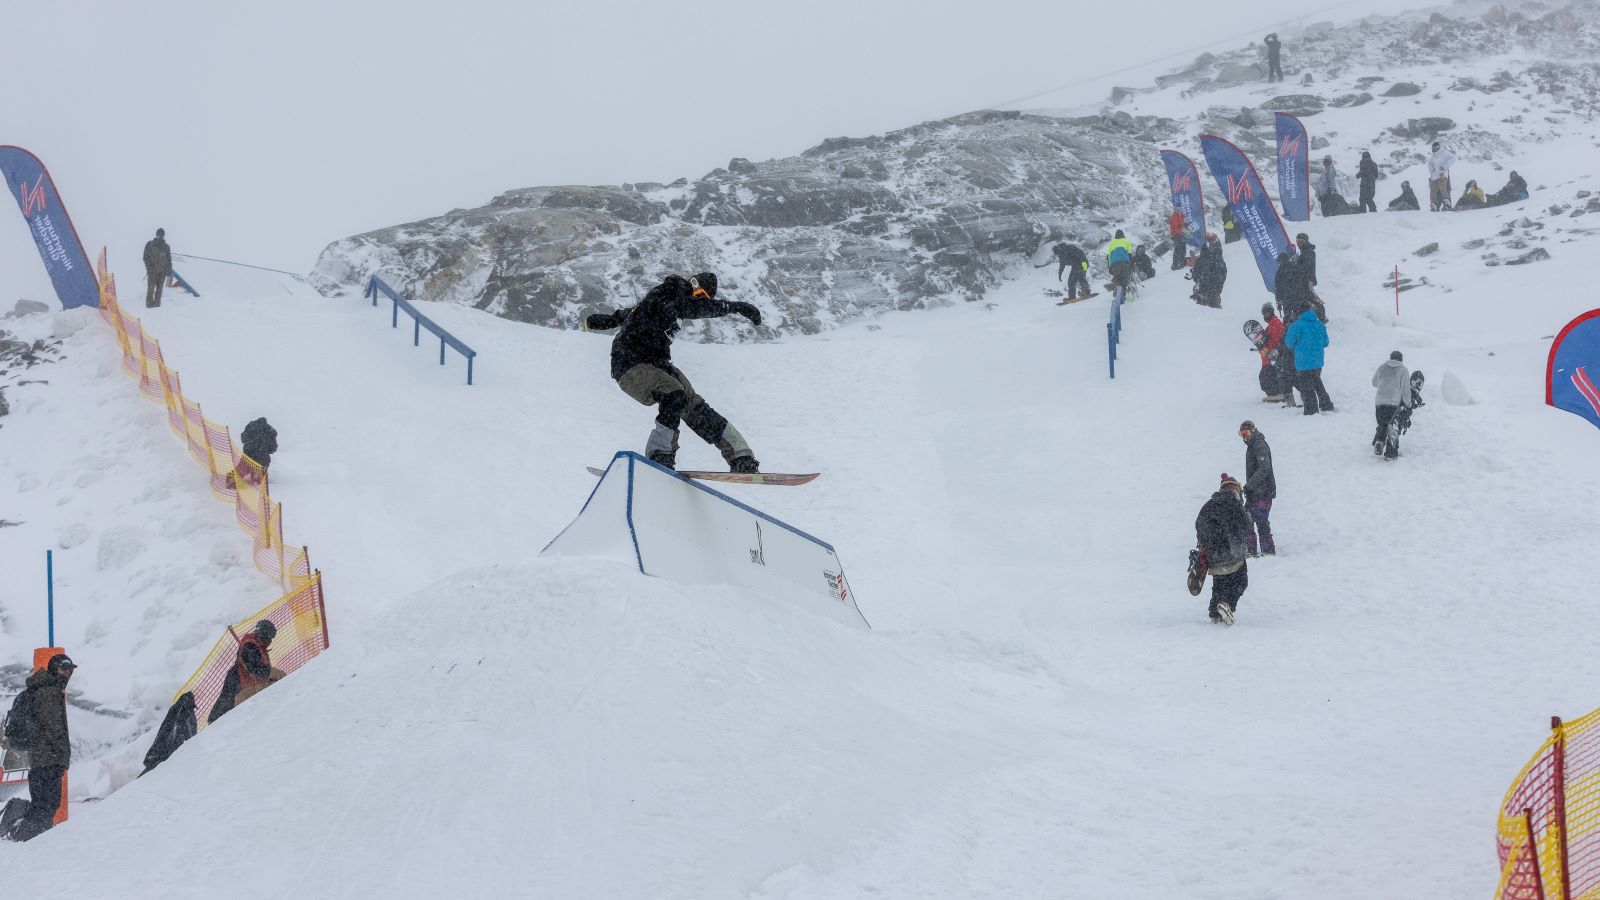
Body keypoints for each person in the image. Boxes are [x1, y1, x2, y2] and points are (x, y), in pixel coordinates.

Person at [584, 273, 763, 472]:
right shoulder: (668, 293)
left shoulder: (662, 305)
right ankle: (659, 455)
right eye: (700, 294)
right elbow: (689, 307)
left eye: (705, 296)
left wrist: (601, 321)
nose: (701, 299)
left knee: (692, 404)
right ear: (693, 286)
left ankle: (740, 456)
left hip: (656, 363)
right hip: (629, 365)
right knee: (674, 394)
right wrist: (735, 307)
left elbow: (627, 315)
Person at [3, 654, 76, 842]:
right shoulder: (49, 692)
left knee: (41, 806)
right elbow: (53, 728)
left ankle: (19, 830)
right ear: (54, 669)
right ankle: (23, 838)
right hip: (49, 759)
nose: (67, 673)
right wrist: (62, 757)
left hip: (39, 759)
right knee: (47, 806)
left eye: (70, 670)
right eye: (63, 669)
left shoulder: (41, 689)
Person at [1195, 474, 1253, 625]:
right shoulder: (1235, 506)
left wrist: (1205, 542)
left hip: (1213, 555)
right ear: (1235, 490)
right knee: (1240, 582)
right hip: (1233, 554)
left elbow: (1199, 524)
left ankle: (1215, 613)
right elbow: (1246, 526)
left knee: (1219, 584)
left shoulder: (1209, 505)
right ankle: (1227, 605)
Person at [207, 620, 285, 724]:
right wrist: (272, 674)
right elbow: (256, 669)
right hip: (239, 685)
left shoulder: (258, 646)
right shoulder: (250, 646)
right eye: (270, 637)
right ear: (263, 634)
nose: (270, 640)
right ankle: (213, 724)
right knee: (227, 714)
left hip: (244, 684)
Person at [1284, 304, 1334, 414]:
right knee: (1317, 381)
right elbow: (1326, 342)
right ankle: (1326, 404)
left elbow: (1289, 343)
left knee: (1307, 387)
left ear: (1299, 312)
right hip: (1317, 361)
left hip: (1303, 362)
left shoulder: (1296, 325)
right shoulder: (1319, 324)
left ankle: (1311, 410)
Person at [1238, 421, 1276, 556]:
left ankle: (1268, 550)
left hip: (1263, 491)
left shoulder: (1259, 445)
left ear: (1253, 431)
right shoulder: (1252, 445)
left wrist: (1250, 485)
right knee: (1247, 519)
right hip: (1254, 492)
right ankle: (1250, 550)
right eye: (1241, 434)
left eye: (1246, 433)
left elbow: (1264, 468)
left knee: (1261, 521)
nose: (1244, 437)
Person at [140, 692, 197, 775]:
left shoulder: (177, 711)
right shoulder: (185, 715)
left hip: (161, 757)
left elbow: (164, 733)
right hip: (167, 759)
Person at [1372, 350, 1415, 460]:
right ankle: (1391, 453)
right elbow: (1405, 389)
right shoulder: (1403, 370)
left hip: (1380, 402)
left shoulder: (1382, 367)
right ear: (1401, 359)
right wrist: (1408, 404)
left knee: (1382, 424)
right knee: (1392, 428)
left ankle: (1379, 442)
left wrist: (1384, 384)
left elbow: (1374, 382)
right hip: (1393, 403)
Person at [225, 417, 278, 490]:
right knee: (259, 482)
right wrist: (264, 448)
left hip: (248, 457)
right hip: (262, 461)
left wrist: (252, 444)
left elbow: (243, 439)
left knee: (239, 473)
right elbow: (273, 449)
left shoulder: (251, 426)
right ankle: (255, 477)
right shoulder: (271, 432)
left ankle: (231, 480)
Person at [1258, 304, 1293, 403]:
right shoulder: (1271, 325)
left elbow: (1277, 342)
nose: (1265, 315)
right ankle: (1276, 392)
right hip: (1271, 355)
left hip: (1274, 355)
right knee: (1268, 373)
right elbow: (1265, 340)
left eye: (1267, 313)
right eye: (1264, 314)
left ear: (1272, 312)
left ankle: (1276, 393)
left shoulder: (1276, 325)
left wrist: (1266, 350)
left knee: (1268, 373)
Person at [1190, 233, 1227, 308]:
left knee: (1207, 310)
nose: (1210, 246)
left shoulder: (1213, 259)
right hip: (1209, 291)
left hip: (1208, 292)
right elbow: (1222, 274)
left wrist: (1202, 277)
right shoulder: (1216, 259)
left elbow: (1221, 275)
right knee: (1209, 309)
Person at [1273, 252, 1312, 320]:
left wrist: (1278, 301)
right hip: (1299, 297)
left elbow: (1278, 289)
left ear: (1280, 262)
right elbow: (1303, 281)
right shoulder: (1296, 268)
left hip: (1287, 300)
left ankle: (1290, 328)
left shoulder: (1279, 273)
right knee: (1300, 317)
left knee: (1288, 319)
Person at [143, 228, 172, 309]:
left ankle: (157, 306)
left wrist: (168, 270)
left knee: (159, 289)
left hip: (162, 272)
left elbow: (169, 259)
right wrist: (149, 268)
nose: (160, 236)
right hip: (153, 272)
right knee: (151, 289)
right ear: (157, 234)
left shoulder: (166, 246)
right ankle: (149, 306)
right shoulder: (150, 244)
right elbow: (145, 257)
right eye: (159, 234)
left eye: (161, 234)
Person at [1427, 142, 1456, 211]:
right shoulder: (1433, 156)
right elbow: (1430, 164)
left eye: (1436, 148)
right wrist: (1432, 171)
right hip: (1434, 176)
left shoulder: (1444, 153)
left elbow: (1453, 158)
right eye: (1433, 148)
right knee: (1433, 191)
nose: (1434, 149)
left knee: (1443, 188)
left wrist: (1445, 166)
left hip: (1442, 174)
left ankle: (1447, 204)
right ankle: (1434, 205)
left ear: (1438, 147)